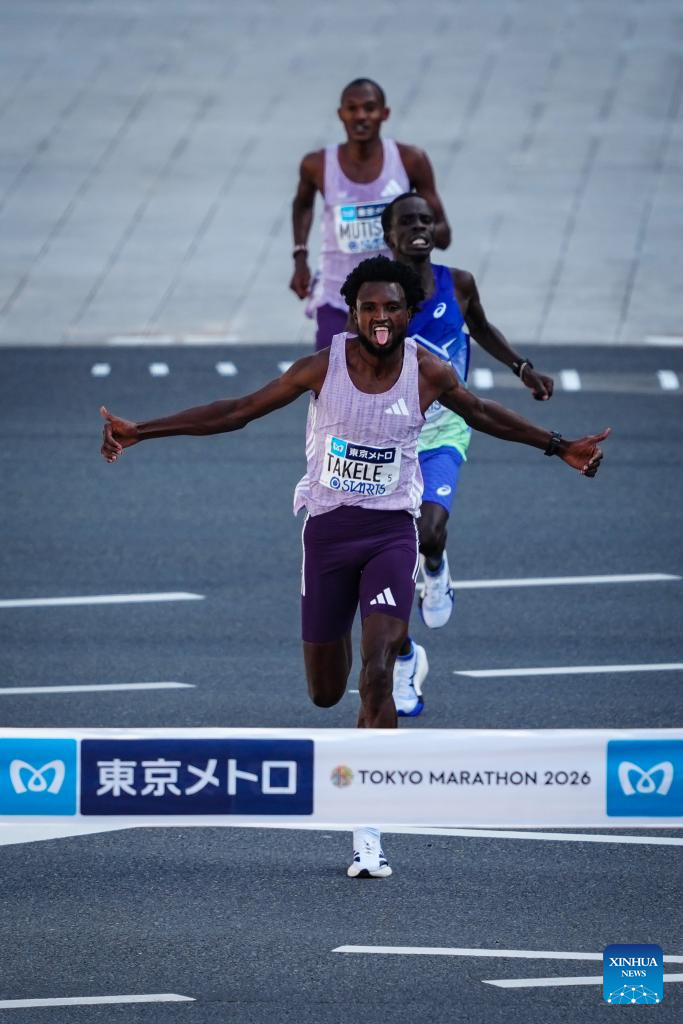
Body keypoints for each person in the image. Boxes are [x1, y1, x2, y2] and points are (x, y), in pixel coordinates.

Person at [101, 256, 609, 879]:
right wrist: (142, 431)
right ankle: (366, 658)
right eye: (369, 307)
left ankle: (369, 827)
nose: (381, 317)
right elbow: (237, 411)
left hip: (391, 534)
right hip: (328, 535)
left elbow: (482, 413)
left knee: (376, 672)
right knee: (324, 692)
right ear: (353, 313)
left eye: (392, 307)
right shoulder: (323, 367)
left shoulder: (428, 371)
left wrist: (559, 446)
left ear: (409, 312)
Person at [381, 193, 556, 716]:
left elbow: (479, 326)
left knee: (429, 533)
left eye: (426, 219)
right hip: (388, 438)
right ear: (389, 235)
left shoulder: (458, 283)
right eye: (407, 221)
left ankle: (436, 569)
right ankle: (405, 658)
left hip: (445, 429)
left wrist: (521, 367)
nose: (419, 227)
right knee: (384, 563)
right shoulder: (378, 293)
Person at [289, 78, 450, 350]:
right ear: (341, 114)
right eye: (352, 108)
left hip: (393, 298)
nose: (361, 116)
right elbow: (303, 204)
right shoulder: (317, 164)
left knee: (402, 374)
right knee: (330, 370)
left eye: (369, 108)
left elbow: (443, 232)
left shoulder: (410, 160)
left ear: (384, 113)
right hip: (337, 295)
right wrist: (300, 256)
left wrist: (418, 235)